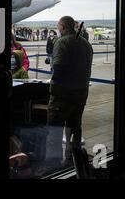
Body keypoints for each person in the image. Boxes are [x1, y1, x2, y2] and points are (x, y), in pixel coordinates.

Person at [47, 16, 93, 166]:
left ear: (63, 27)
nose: (58, 29)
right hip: (81, 92)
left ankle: (53, 164)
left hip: (63, 94)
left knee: (54, 129)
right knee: (75, 127)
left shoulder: (62, 42)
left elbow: (59, 67)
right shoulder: (86, 44)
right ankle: (74, 161)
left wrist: (53, 83)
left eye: (59, 27)